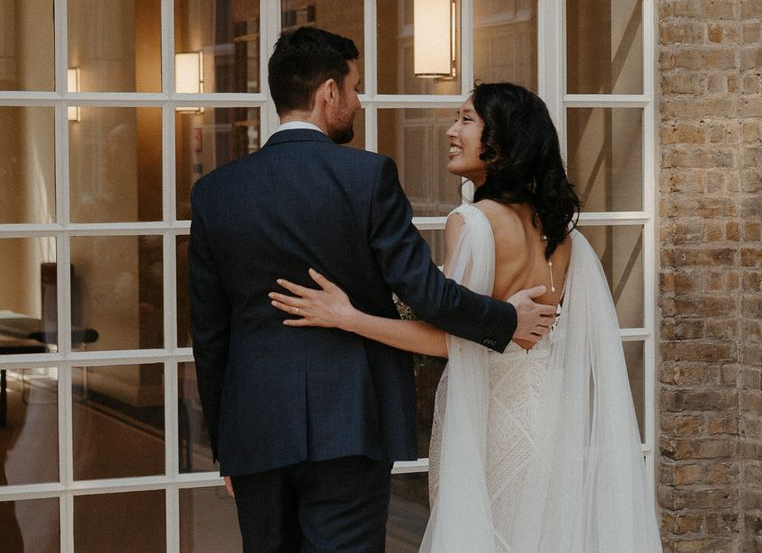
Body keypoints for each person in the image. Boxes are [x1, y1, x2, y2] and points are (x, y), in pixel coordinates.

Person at [188, 29, 557, 552]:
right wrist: (504, 320)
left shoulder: (215, 192)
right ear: (329, 92)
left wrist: (227, 443)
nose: (359, 101)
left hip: (256, 428)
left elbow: (210, 330)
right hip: (352, 421)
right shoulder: (367, 175)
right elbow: (425, 292)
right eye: (356, 87)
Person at [271, 82, 663, 552]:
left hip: (490, 420)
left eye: (466, 120)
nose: (451, 131)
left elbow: (447, 339)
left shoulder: (473, 222)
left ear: (500, 142)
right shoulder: (560, 233)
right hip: (552, 416)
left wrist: (346, 316)